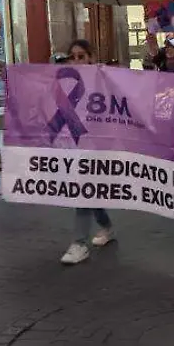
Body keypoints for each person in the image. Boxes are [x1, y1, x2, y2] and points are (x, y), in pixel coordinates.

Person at [60, 39, 115, 265]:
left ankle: (79, 243)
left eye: (81, 56)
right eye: (72, 57)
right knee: (89, 191)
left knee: (84, 190)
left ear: (91, 57)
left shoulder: (103, 79)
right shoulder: (66, 82)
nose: (76, 61)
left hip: (97, 146)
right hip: (77, 146)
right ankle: (106, 226)